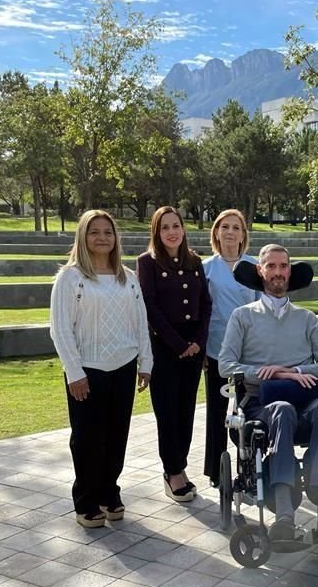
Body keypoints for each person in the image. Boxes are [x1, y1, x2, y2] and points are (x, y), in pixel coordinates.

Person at [218, 244, 318, 540]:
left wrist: (296, 372)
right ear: (260, 271)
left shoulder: (306, 319)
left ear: (290, 271)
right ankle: (285, 516)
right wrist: (271, 372)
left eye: (283, 266)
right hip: (260, 404)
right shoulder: (243, 317)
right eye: (271, 266)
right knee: (282, 409)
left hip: (304, 400)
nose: (278, 272)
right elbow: (226, 365)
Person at [50, 210, 152, 528]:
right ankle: (86, 500)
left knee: (116, 435)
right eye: (95, 232)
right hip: (87, 370)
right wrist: (74, 372)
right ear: (83, 236)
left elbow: (141, 324)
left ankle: (110, 492)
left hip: (122, 367)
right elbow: (61, 329)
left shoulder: (128, 278)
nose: (102, 238)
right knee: (86, 438)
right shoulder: (70, 277)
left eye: (108, 232)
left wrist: (145, 363)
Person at [137, 206, 212, 503]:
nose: (172, 231)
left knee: (186, 412)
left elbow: (205, 304)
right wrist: (179, 345)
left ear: (183, 228)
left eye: (176, 225)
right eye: (165, 227)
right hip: (165, 349)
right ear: (157, 232)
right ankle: (173, 472)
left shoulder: (195, 261)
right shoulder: (147, 263)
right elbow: (151, 308)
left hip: (194, 347)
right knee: (167, 413)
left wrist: (198, 342)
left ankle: (179, 465)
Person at [202, 209, 258, 488]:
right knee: (218, 412)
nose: (230, 232)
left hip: (250, 353)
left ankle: (248, 466)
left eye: (236, 227)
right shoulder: (206, 268)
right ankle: (215, 469)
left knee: (248, 412)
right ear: (216, 232)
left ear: (243, 235)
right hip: (216, 350)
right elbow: (201, 311)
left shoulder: (255, 266)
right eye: (225, 226)